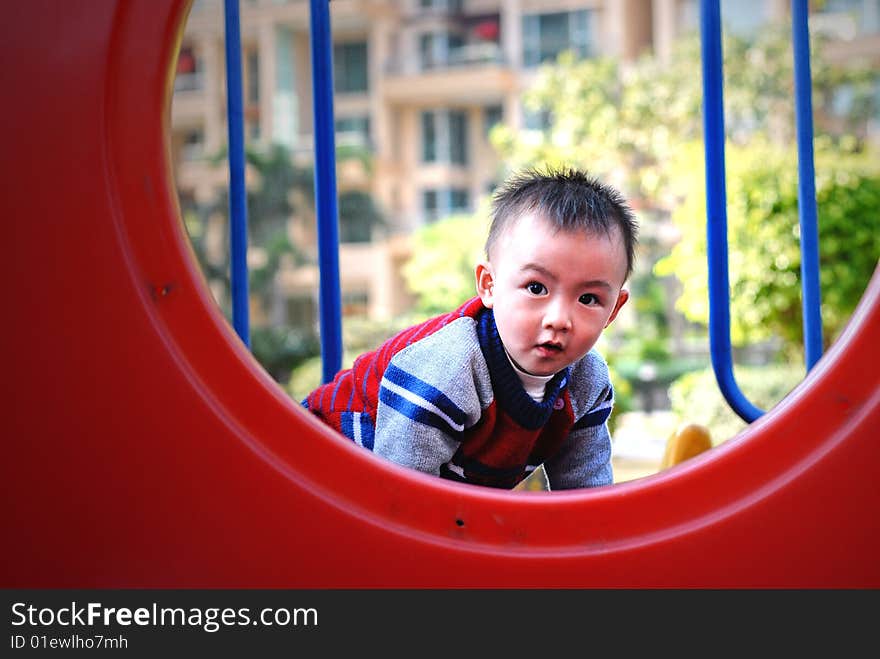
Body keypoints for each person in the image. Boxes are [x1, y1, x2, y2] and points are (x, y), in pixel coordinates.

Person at [302, 167, 637, 490]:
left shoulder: (586, 382)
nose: (559, 319)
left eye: (589, 298)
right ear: (489, 285)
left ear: (613, 310)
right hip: (323, 464)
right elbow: (400, 498)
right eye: (536, 288)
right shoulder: (451, 368)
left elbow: (587, 496)